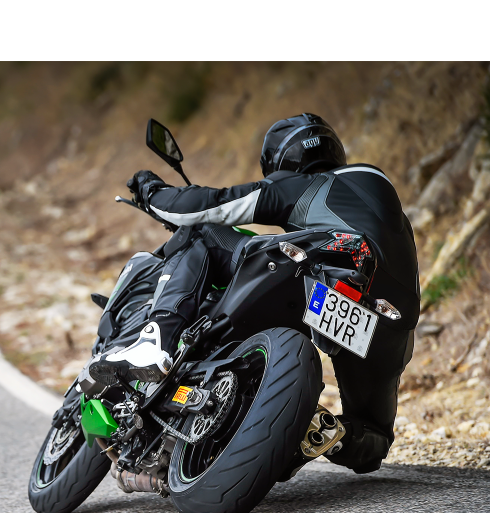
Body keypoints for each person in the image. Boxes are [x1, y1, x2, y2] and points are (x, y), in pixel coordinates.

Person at [90, 114, 419, 475]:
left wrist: (152, 190)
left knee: (202, 232)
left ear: (281, 159)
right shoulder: (383, 200)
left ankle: (156, 341)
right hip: (391, 320)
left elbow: (212, 204)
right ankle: (324, 432)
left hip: (320, 270)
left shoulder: (305, 184)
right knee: (373, 438)